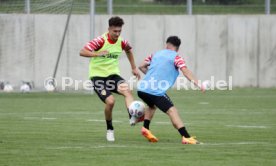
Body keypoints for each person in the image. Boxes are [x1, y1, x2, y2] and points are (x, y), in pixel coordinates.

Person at [80, 16, 141, 142]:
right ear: (109, 29)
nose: (117, 34)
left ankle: (132, 116)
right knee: (111, 102)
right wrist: (97, 53)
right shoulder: (100, 41)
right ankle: (110, 129)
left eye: (119, 31)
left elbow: (129, 51)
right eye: (115, 31)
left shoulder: (122, 41)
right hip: (98, 77)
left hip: (113, 75)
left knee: (127, 91)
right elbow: (82, 51)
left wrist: (134, 68)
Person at [137, 36, 205, 144]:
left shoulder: (155, 54)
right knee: (172, 111)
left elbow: (141, 66)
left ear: (167, 44)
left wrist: (151, 76)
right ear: (177, 48)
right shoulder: (176, 57)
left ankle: (145, 128)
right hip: (155, 91)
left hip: (142, 89)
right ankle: (186, 137)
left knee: (151, 106)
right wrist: (198, 83)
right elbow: (185, 71)